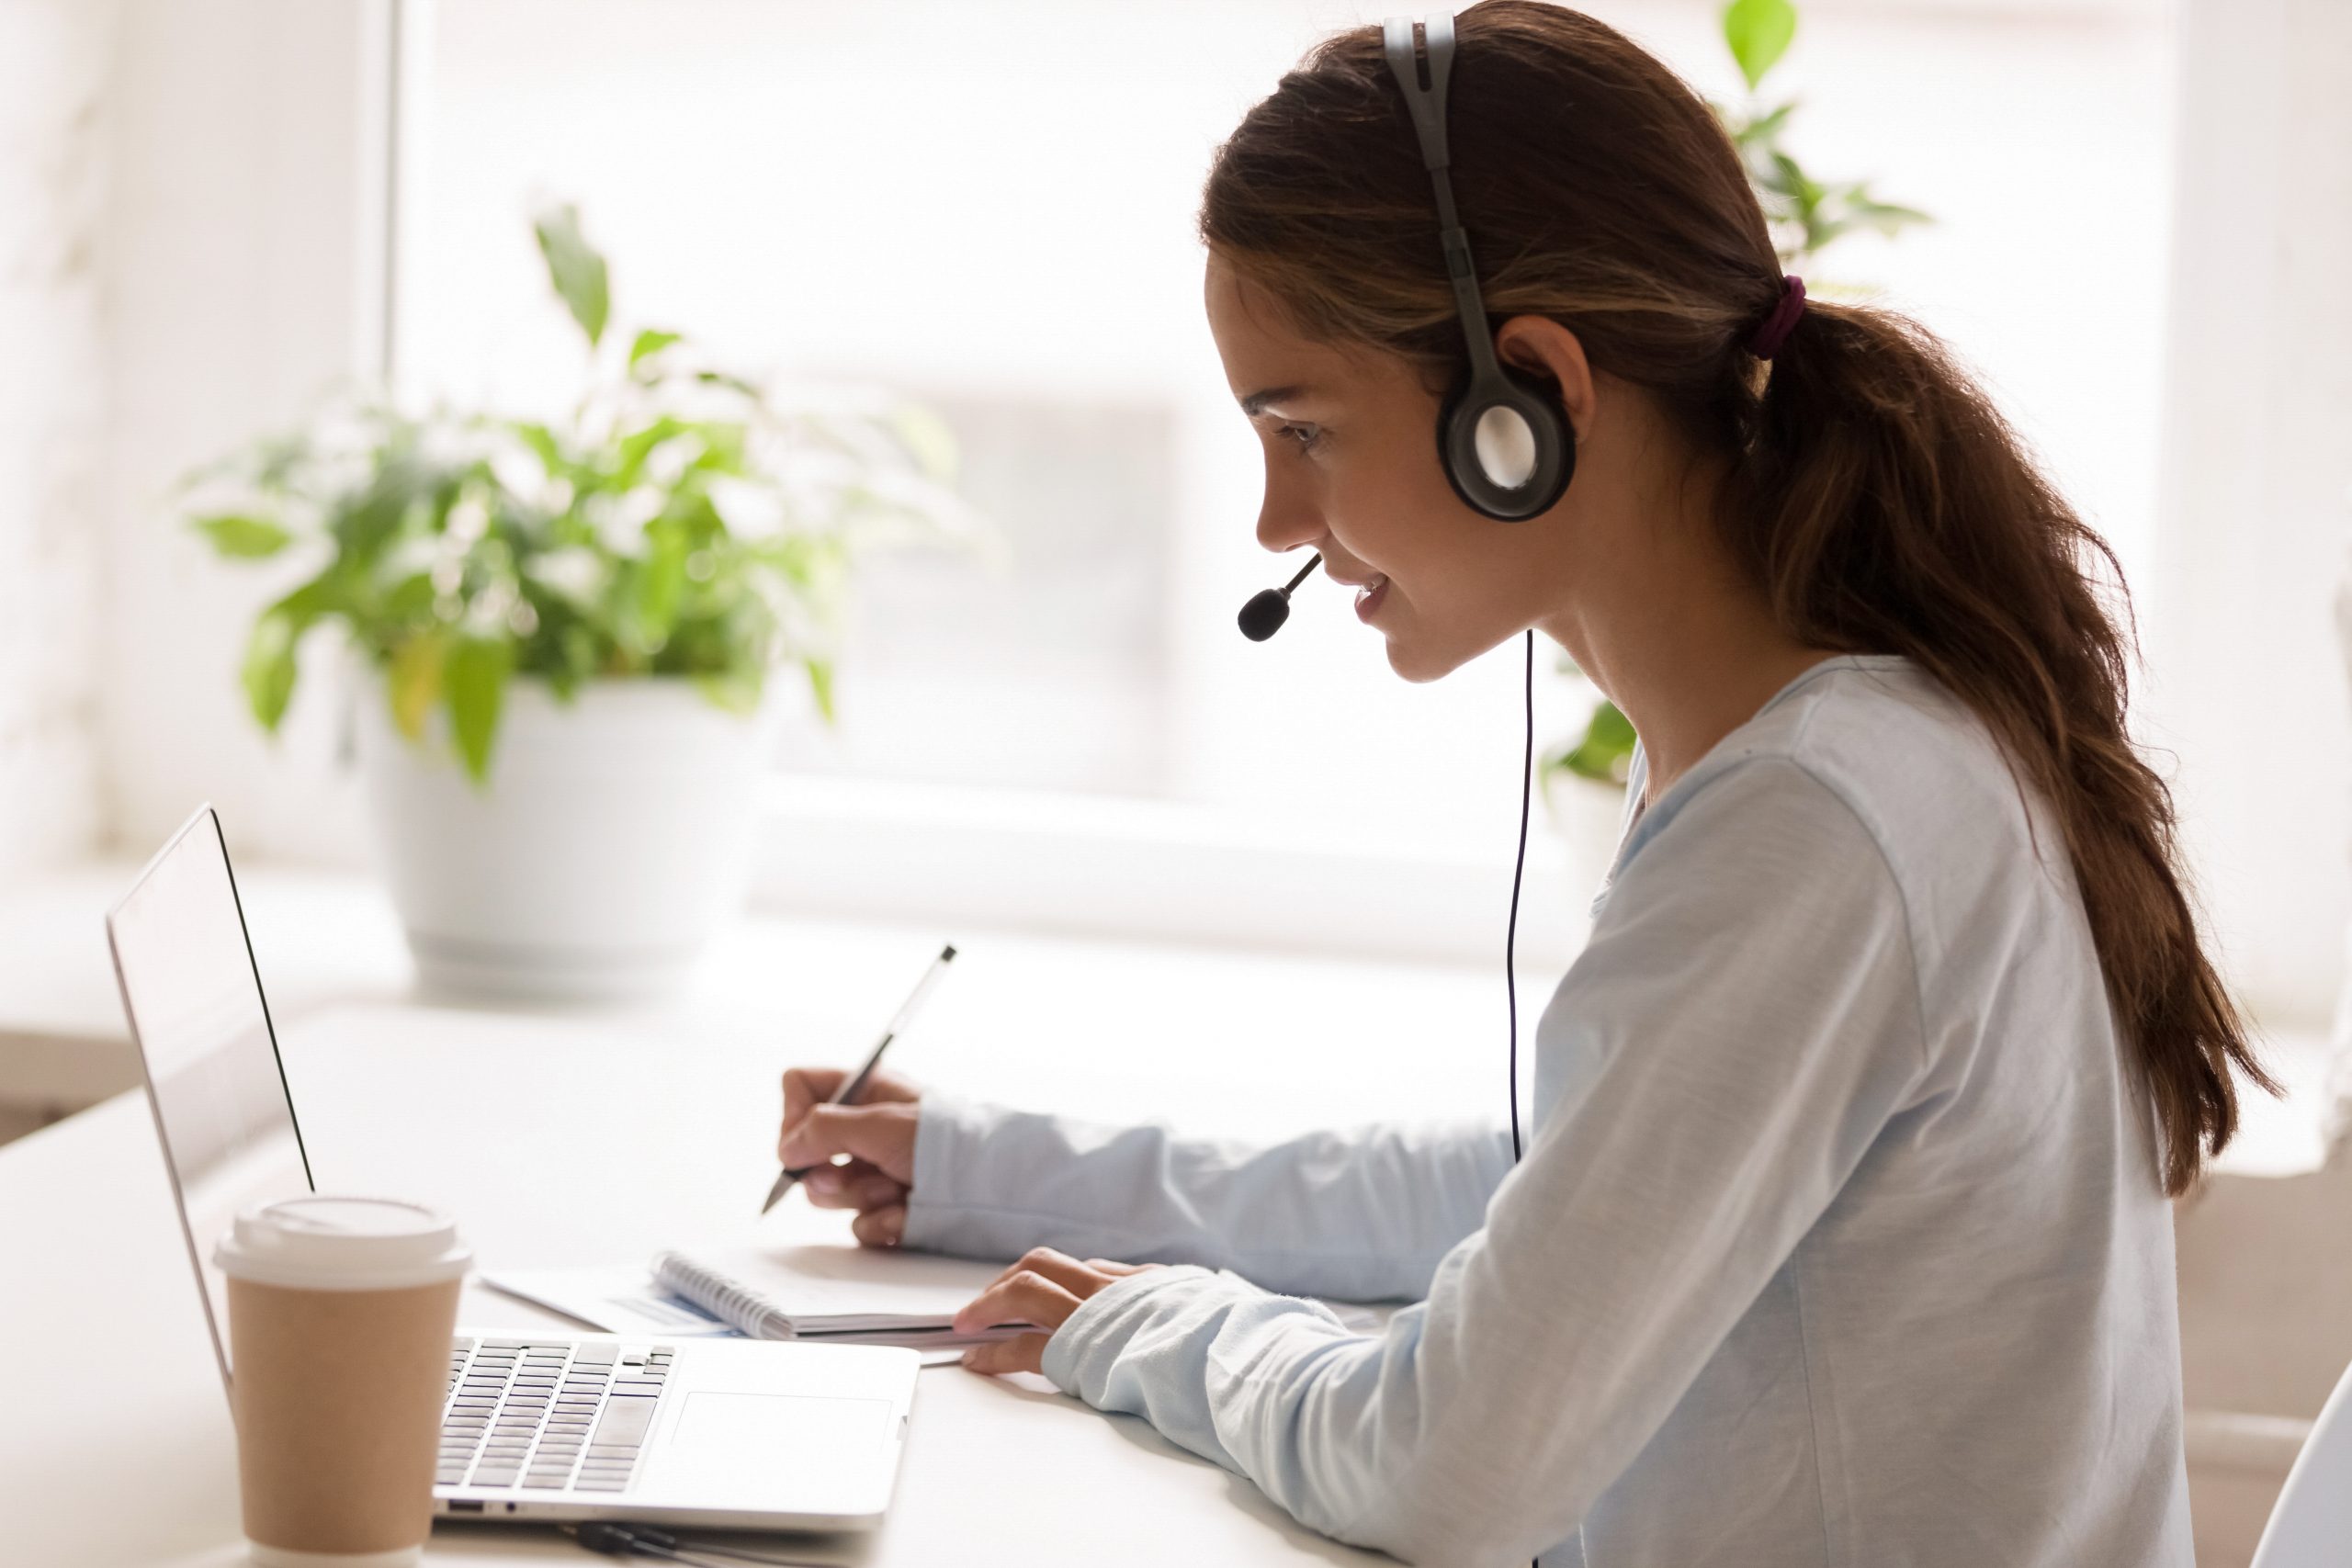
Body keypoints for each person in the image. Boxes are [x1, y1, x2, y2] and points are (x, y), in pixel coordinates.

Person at [774, 5, 2271, 1563]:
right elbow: (1555, 1191)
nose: (1278, 519)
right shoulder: (1821, 745)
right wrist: (1006, 1170)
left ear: (1528, 402)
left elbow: (1451, 1473)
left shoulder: (1818, 821)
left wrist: (1164, 1331)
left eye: (1303, 428)